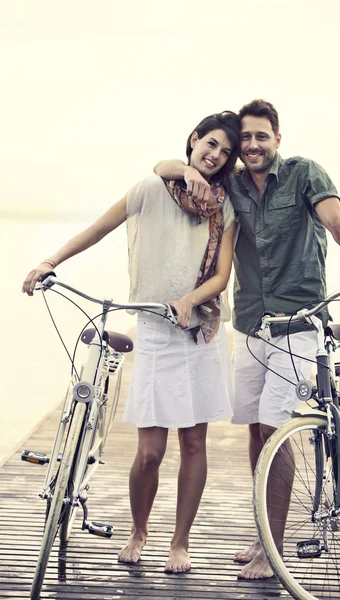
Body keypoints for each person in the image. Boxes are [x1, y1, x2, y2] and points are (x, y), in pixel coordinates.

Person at [154, 99, 340, 579]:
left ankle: (273, 551)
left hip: (298, 323)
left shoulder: (305, 174)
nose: (252, 145)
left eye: (262, 136)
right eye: (246, 138)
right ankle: (265, 527)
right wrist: (184, 167)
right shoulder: (233, 186)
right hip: (249, 326)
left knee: (274, 427)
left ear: (277, 139)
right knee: (253, 429)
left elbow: (335, 221)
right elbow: (162, 168)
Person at [22, 111, 241, 574]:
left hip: (199, 331)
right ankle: (140, 530)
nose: (215, 155)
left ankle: (179, 542)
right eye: (211, 144)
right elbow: (97, 229)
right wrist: (49, 260)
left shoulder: (225, 207)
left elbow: (221, 276)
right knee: (149, 453)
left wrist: (190, 298)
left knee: (196, 444)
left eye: (225, 151)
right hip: (157, 333)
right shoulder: (149, 189)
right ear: (194, 140)